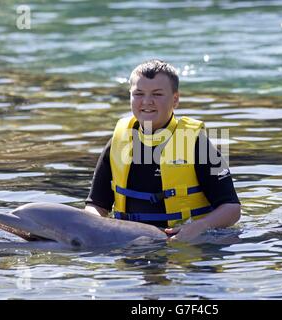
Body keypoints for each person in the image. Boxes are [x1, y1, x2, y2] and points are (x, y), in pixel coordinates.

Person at [85, 59, 240, 242]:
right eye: (138, 94)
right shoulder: (118, 142)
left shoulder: (197, 143)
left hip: (187, 249)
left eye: (157, 94)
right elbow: (96, 205)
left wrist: (197, 228)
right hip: (130, 246)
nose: (147, 101)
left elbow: (231, 208)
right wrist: (93, 227)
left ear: (175, 100)